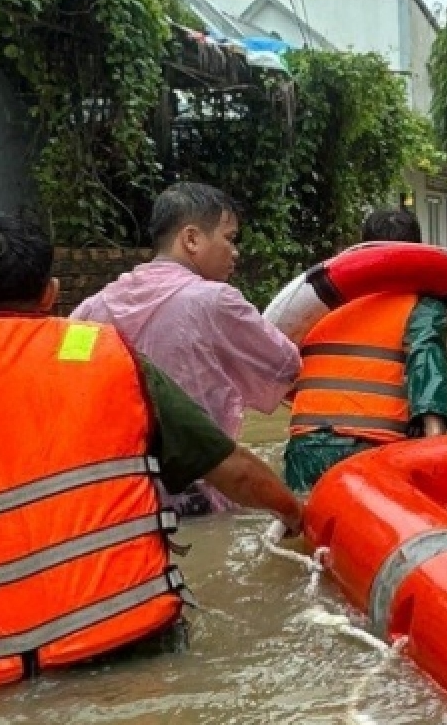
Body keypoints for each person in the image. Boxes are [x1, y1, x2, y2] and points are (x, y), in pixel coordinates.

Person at [0, 212, 301, 704]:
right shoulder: (107, 356)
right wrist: (294, 512)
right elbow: (232, 469)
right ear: (50, 294)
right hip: (129, 649)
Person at [72, 182, 300, 516]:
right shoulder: (215, 301)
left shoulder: (92, 308)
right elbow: (286, 365)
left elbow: (69, 377)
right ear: (191, 239)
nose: (235, 252)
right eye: (230, 238)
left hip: (116, 498)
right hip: (197, 491)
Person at [281, 208, 447, 491]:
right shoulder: (423, 308)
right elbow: (428, 367)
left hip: (306, 447)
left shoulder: (319, 305)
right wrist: (435, 448)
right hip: (375, 448)